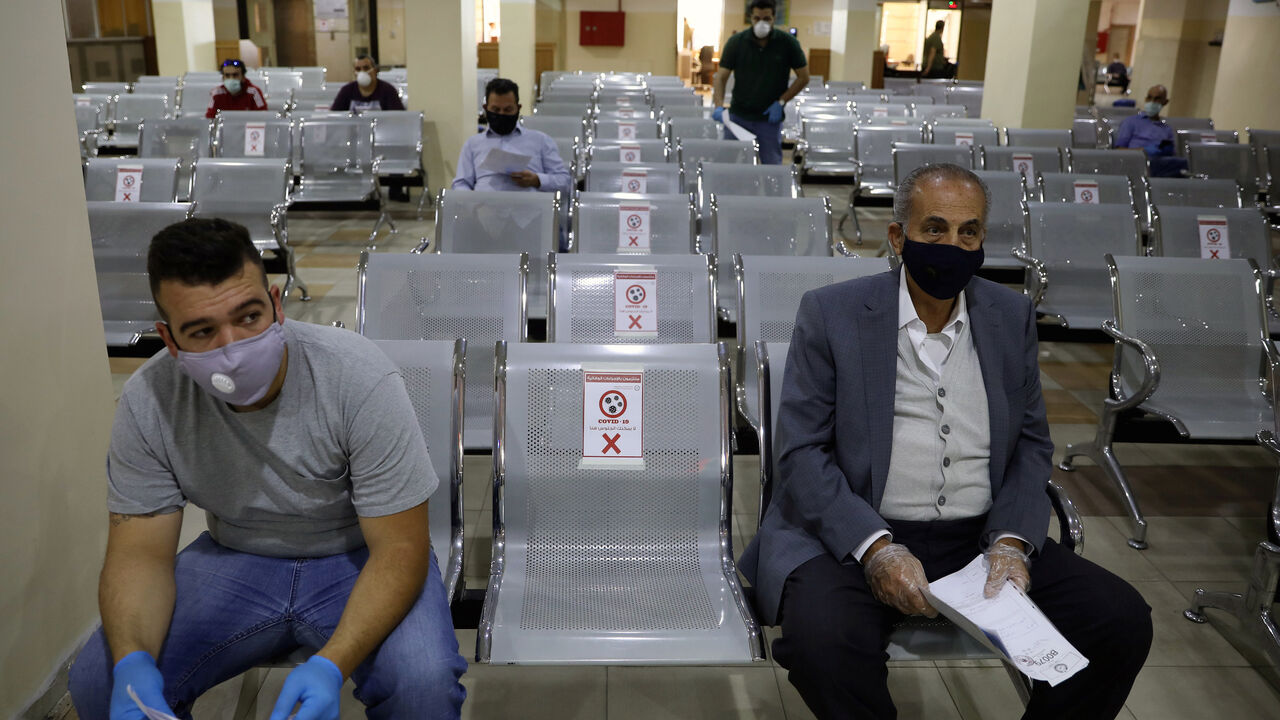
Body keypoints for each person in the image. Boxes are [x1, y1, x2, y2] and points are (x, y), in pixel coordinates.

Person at [739, 164, 1153, 719]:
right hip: (853, 533)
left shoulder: (1009, 315)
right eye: (934, 229)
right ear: (898, 237)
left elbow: (1031, 444)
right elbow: (801, 452)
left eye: (968, 232)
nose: (953, 245)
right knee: (823, 645)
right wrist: (877, 548)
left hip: (978, 538)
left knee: (1120, 620)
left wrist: (1010, 541)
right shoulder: (833, 313)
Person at [67, 218, 467, 720]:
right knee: (99, 683)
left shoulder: (356, 376)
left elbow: (401, 547)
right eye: (203, 331)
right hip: (236, 556)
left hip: (358, 556)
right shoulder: (150, 400)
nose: (232, 347)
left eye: (249, 316)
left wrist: (331, 665)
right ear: (169, 339)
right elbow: (140, 554)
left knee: (423, 687)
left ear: (277, 304)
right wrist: (132, 660)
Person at [711, 0, 809, 165]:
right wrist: (719, 106)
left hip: (769, 119)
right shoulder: (736, 42)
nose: (761, 23)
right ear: (750, 18)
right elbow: (720, 77)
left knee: (771, 166)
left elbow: (804, 77)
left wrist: (781, 102)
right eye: (757, 18)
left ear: (774, 18)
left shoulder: (788, 43)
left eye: (766, 19)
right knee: (727, 164)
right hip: (738, 116)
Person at [451, 77, 572, 195]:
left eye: (508, 110)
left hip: (528, 206)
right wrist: (472, 201)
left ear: (518, 109)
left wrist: (537, 180)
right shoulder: (472, 144)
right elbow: (461, 183)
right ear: (485, 108)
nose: (501, 114)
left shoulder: (541, 141)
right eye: (495, 110)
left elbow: (564, 182)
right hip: (485, 205)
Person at [1113, 84, 1187, 177]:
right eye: (1149, 98)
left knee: (1183, 165)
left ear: (1165, 102)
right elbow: (1119, 151)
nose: (1152, 102)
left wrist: (1166, 151)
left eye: (1157, 99)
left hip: (1160, 169)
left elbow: (1171, 156)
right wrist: (1142, 151)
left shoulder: (1167, 129)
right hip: (1135, 165)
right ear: (1145, 99)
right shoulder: (1131, 122)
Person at [331, 54, 405, 112]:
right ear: (354, 73)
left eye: (366, 68)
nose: (362, 72)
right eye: (358, 69)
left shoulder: (388, 91)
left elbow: (397, 117)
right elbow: (334, 116)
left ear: (375, 70)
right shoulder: (346, 91)